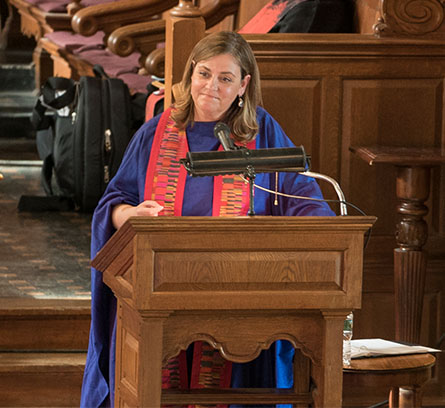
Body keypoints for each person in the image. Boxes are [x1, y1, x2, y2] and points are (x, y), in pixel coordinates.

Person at [80, 30, 335, 407]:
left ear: (244, 84)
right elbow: (112, 202)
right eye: (203, 74)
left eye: (225, 78)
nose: (211, 86)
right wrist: (130, 214)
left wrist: (324, 232)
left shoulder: (261, 132)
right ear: (190, 75)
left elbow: (298, 194)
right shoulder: (156, 132)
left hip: (242, 290)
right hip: (159, 286)